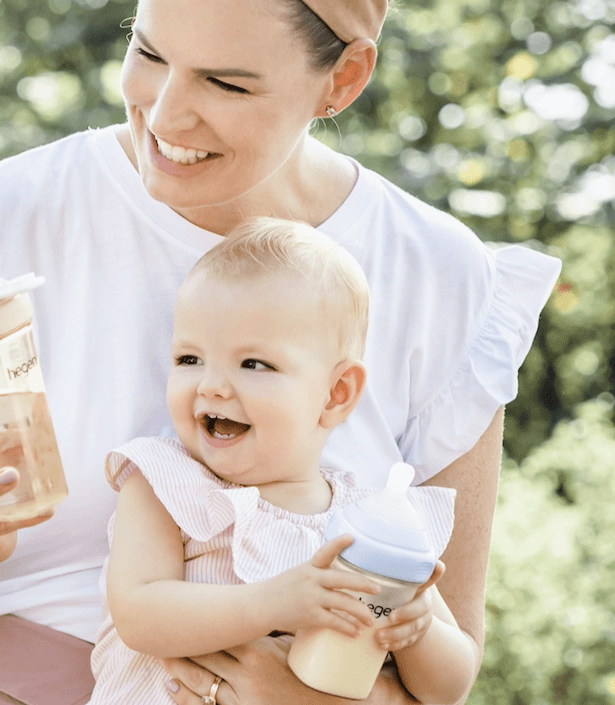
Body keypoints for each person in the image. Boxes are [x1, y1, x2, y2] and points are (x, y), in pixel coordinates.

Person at [0, 0, 562, 702]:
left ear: (343, 78)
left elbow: (445, 656)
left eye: (225, 82)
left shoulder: (440, 276)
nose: (164, 115)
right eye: (148, 52)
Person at [90, 217, 473, 705]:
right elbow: (138, 613)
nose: (210, 384)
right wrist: (271, 603)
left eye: (254, 364)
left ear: (336, 393)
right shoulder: (165, 481)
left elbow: (449, 692)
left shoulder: (373, 526)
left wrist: (416, 630)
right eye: (190, 359)